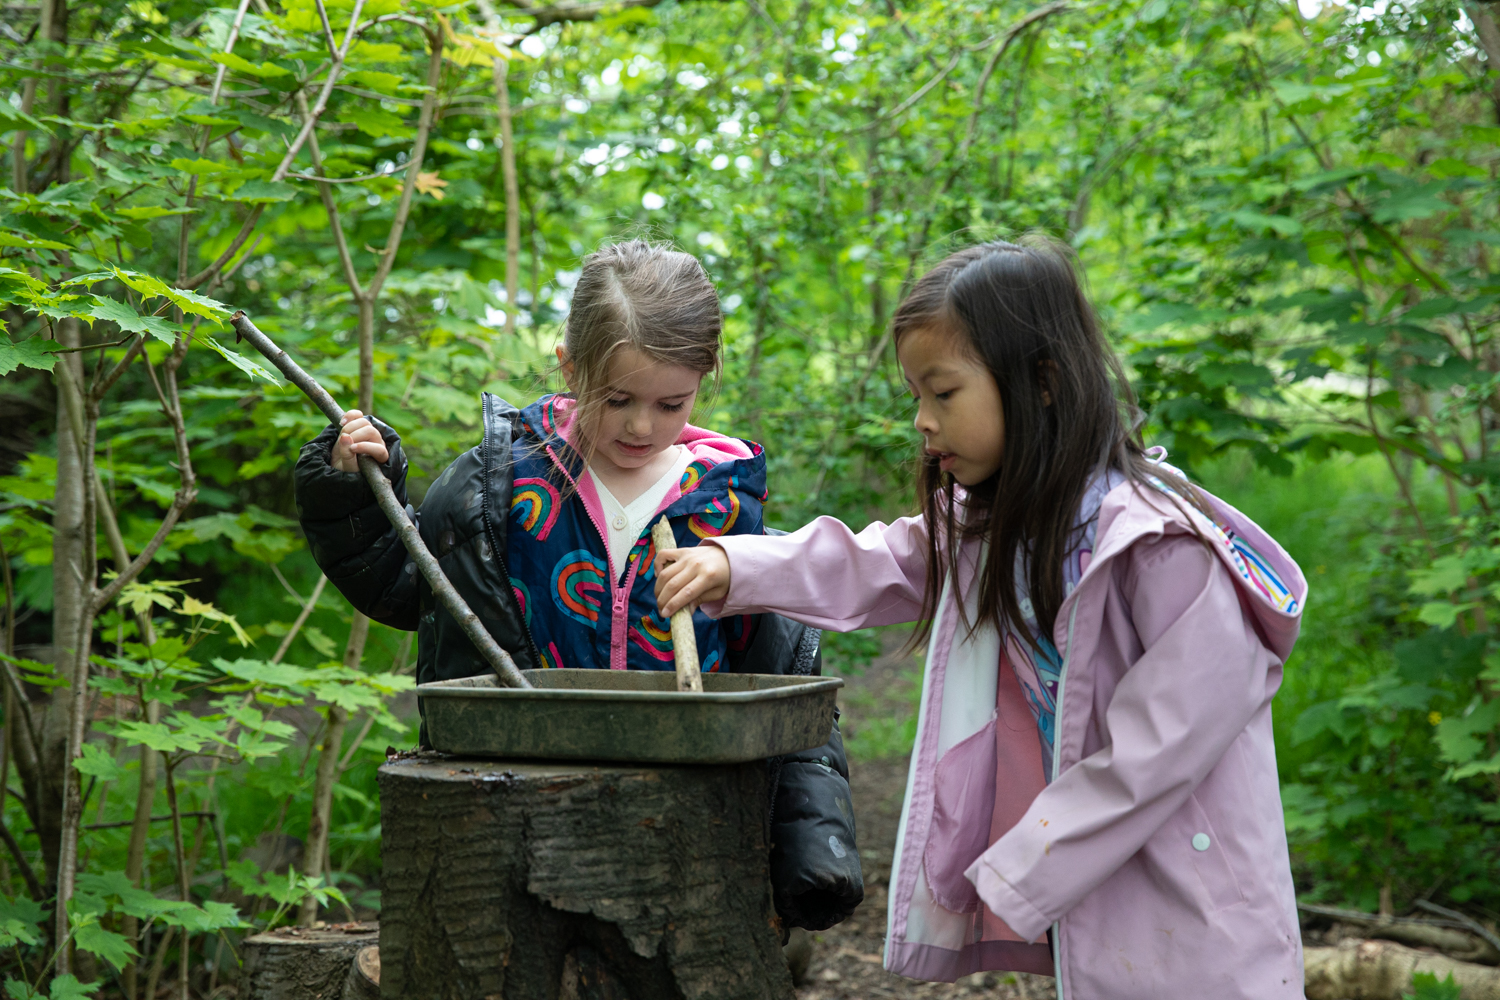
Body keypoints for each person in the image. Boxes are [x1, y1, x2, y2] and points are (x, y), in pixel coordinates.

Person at [655, 237, 1308, 999]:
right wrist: (741, 565)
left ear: (1042, 384)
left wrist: (1030, 858)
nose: (924, 422)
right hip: (1104, 869)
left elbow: (1156, 751)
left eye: (943, 393)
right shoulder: (1001, 525)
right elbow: (886, 560)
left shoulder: (1160, 549)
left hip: (1198, 889)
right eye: (916, 397)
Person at [293, 239, 862, 932]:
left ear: (705, 377)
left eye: (670, 402)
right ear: (570, 365)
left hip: (689, 818)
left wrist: (811, 851)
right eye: (618, 398)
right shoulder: (498, 488)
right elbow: (407, 583)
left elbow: (774, 671)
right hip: (520, 810)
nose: (642, 425)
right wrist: (350, 492)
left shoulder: (725, 503)